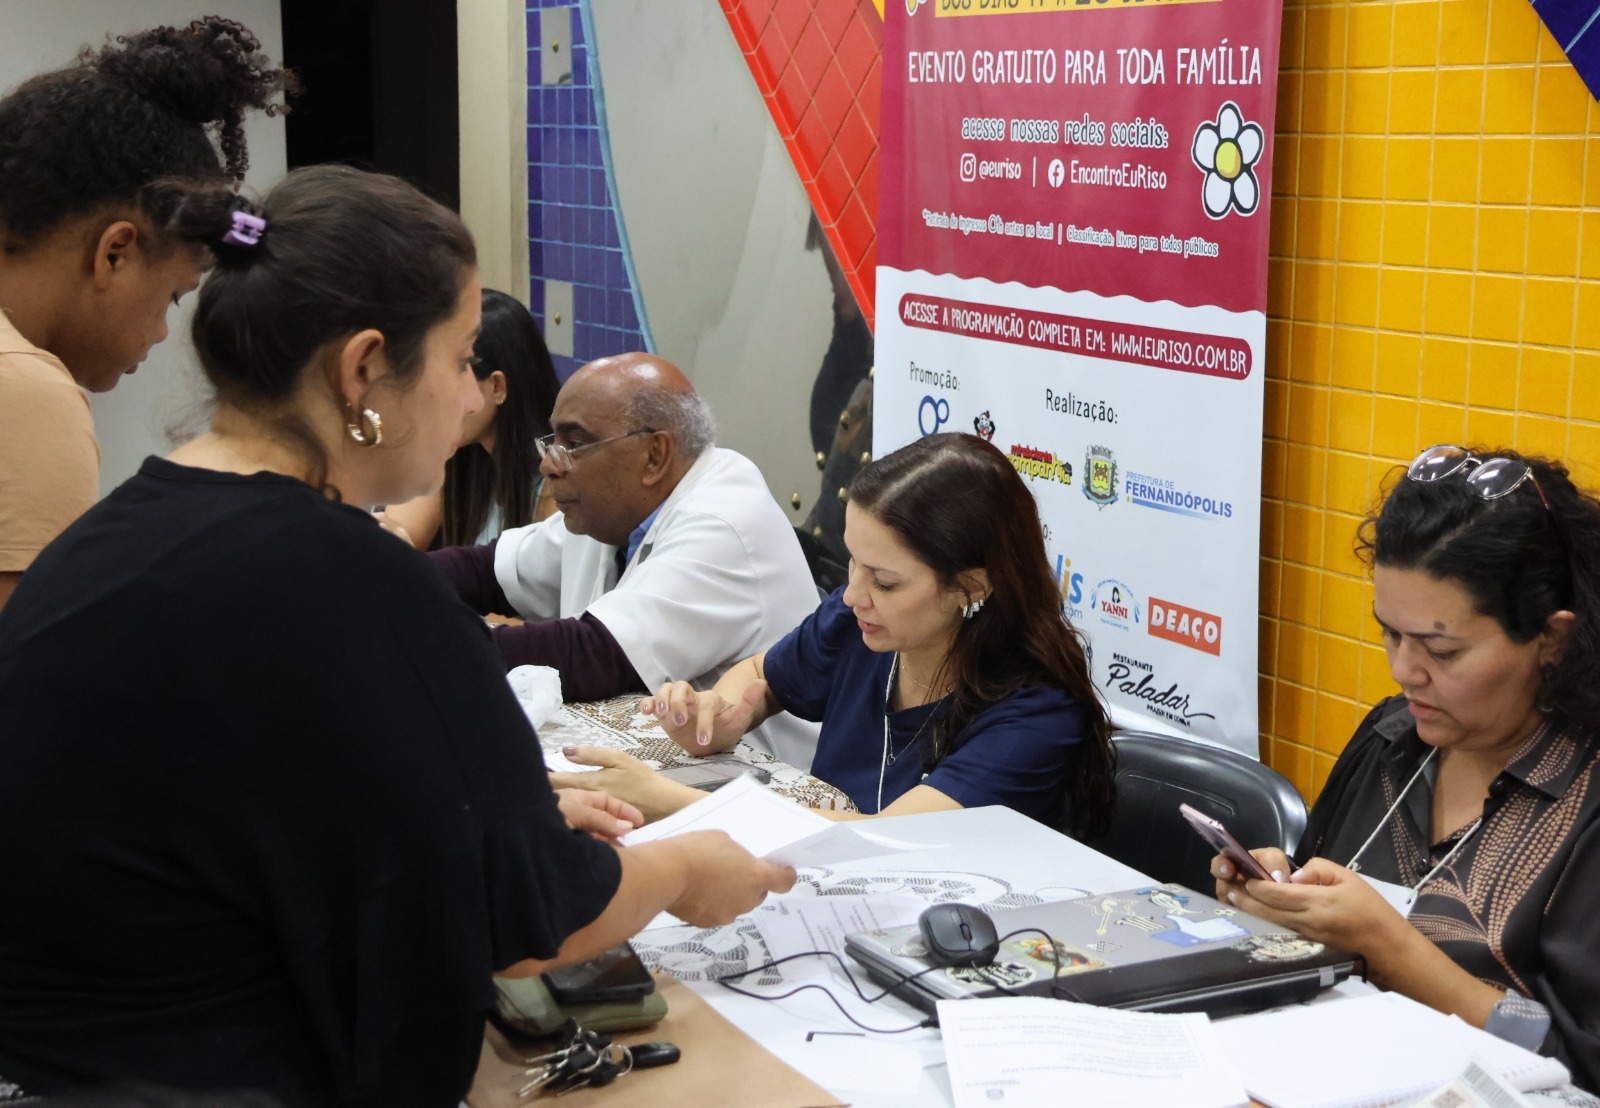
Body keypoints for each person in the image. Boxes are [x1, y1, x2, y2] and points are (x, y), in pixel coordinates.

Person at [0, 165, 793, 1105]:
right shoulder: (353, 587)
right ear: (364, 371)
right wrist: (683, 869)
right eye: (460, 362)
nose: (470, 401)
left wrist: (472, 812)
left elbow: (260, 788)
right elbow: (536, 916)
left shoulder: (121, 529)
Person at [1214, 445, 1600, 1090]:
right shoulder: (1393, 739)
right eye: (1390, 634)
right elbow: (1320, 902)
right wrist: (1279, 899)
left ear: (1551, 639)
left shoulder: (1584, 800)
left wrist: (1390, 947)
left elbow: (1583, 1065)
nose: (1403, 671)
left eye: (1441, 651)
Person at [553, 433, 1118, 835]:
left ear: (971, 587)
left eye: (886, 582)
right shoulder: (861, 624)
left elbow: (882, 843)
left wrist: (672, 802)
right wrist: (720, 715)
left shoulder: (1037, 713)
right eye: (852, 563)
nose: (853, 595)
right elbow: (762, 674)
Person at [0, 17, 294, 613]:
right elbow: (36, 666)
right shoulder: (26, 391)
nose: (162, 333)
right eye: (172, 297)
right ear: (116, 252)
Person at [428, 353, 822, 766]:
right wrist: (392, 581)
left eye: (573, 445)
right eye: (552, 442)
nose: (548, 464)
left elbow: (593, 656)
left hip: (761, 784)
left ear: (654, 455)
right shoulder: (611, 511)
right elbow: (485, 570)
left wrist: (428, 644)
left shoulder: (724, 521)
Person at [382, 288, 561, 549]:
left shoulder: (556, 481)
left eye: (454, 377)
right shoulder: (461, 457)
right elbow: (397, 538)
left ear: (497, 386)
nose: (434, 399)